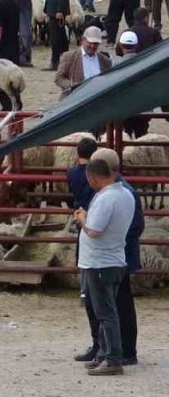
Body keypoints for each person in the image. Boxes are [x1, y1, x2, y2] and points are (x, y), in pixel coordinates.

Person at [73, 158, 134, 376]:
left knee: (105, 312)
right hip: (114, 259)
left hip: (99, 261)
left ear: (91, 177)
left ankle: (112, 358)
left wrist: (82, 218)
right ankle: (104, 354)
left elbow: (94, 231)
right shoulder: (126, 194)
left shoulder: (106, 198)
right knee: (107, 310)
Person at [56, 26, 112, 98]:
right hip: (73, 99)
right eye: (90, 42)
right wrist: (72, 85)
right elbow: (59, 78)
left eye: (95, 43)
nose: (92, 46)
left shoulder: (105, 60)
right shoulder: (69, 57)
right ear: (83, 40)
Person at [44, 0, 72, 71]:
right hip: (54, 8)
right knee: (60, 35)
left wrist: (60, 10)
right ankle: (66, 60)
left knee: (56, 37)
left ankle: (55, 61)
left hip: (56, 9)